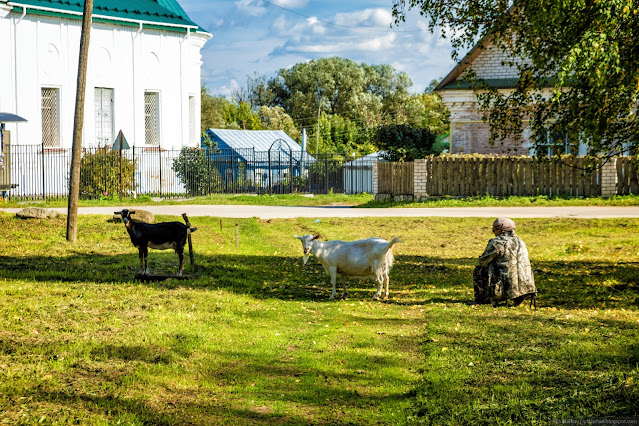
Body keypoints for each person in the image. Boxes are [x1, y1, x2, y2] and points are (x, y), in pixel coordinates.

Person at [472, 217, 537, 307]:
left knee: (479, 270)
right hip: (527, 287)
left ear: (500, 229)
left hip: (507, 284)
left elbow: (483, 261)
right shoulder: (520, 241)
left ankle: (484, 298)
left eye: (494, 229)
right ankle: (518, 297)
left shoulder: (497, 242)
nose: (493, 231)